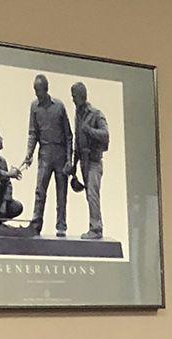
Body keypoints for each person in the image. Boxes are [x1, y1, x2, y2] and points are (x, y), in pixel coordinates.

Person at [19, 74, 70, 238]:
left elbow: (69, 135)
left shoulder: (59, 106)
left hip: (60, 153)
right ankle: (36, 223)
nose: (36, 93)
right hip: (45, 153)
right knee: (40, 190)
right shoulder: (34, 107)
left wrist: (69, 159)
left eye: (38, 90)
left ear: (46, 89)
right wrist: (29, 153)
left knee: (61, 192)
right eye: (35, 90)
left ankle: (61, 225)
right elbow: (32, 133)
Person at [70, 82, 110, 240]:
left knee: (93, 194)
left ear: (82, 96)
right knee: (89, 195)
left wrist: (89, 130)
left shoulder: (96, 114)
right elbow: (77, 141)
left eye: (74, 96)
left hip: (94, 161)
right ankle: (94, 227)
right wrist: (73, 165)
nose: (73, 100)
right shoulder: (78, 114)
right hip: (84, 161)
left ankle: (96, 229)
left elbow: (106, 135)